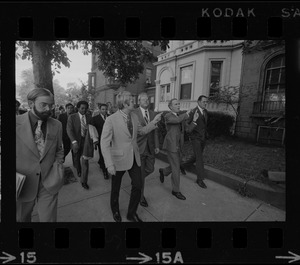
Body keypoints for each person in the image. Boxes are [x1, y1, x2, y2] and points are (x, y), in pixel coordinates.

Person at [101, 91, 162, 222]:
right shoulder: (111, 119)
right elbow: (104, 143)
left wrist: (154, 122)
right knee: (115, 188)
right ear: (125, 103)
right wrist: (109, 164)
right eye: (132, 101)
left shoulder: (134, 117)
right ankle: (115, 210)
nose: (135, 102)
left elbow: (142, 131)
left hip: (134, 157)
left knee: (138, 185)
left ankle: (131, 213)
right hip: (118, 160)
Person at [16, 88, 64, 222]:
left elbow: (59, 149)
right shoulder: (15, 123)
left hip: (49, 182)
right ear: (31, 104)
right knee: (21, 220)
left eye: (51, 105)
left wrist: (58, 167)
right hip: (22, 185)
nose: (48, 109)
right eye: (44, 105)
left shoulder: (57, 125)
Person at [158, 99, 191, 200]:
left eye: (178, 104)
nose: (178, 105)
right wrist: (186, 114)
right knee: (176, 168)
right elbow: (176, 121)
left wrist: (194, 121)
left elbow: (187, 129)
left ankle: (163, 171)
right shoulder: (168, 116)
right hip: (171, 145)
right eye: (176, 104)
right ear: (170, 107)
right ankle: (175, 191)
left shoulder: (179, 116)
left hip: (179, 145)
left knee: (175, 164)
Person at [134, 93, 159, 207]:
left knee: (151, 168)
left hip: (150, 147)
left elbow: (155, 131)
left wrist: (157, 145)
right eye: (144, 100)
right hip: (140, 148)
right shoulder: (134, 113)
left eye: (147, 99)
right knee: (142, 172)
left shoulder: (153, 113)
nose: (146, 101)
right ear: (139, 101)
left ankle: (137, 180)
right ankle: (140, 197)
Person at [67, 100, 93, 190]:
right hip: (76, 142)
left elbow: (92, 130)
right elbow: (69, 130)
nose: (84, 110)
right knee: (76, 158)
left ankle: (84, 181)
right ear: (78, 108)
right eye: (82, 108)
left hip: (86, 142)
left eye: (85, 108)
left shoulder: (89, 117)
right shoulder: (72, 117)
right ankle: (78, 169)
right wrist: (74, 142)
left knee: (85, 161)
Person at [185, 95, 209, 189]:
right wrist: (192, 136)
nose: (205, 103)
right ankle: (200, 179)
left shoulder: (206, 112)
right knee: (199, 158)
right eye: (204, 101)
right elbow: (187, 127)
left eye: (206, 102)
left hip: (203, 138)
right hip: (195, 139)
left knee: (195, 157)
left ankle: (182, 166)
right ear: (198, 102)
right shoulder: (193, 112)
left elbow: (204, 125)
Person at [92, 103, 109, 179]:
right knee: (103, 155)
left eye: (105, 109)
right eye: (102, 109)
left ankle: (101, 163)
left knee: (109, 154)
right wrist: (95, 139)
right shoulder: (95, 118)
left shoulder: (110, 117)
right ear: (99, 110)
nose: (104, 111)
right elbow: (91, 129)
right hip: (101, 140)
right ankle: (105, 171)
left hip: (110, 139)